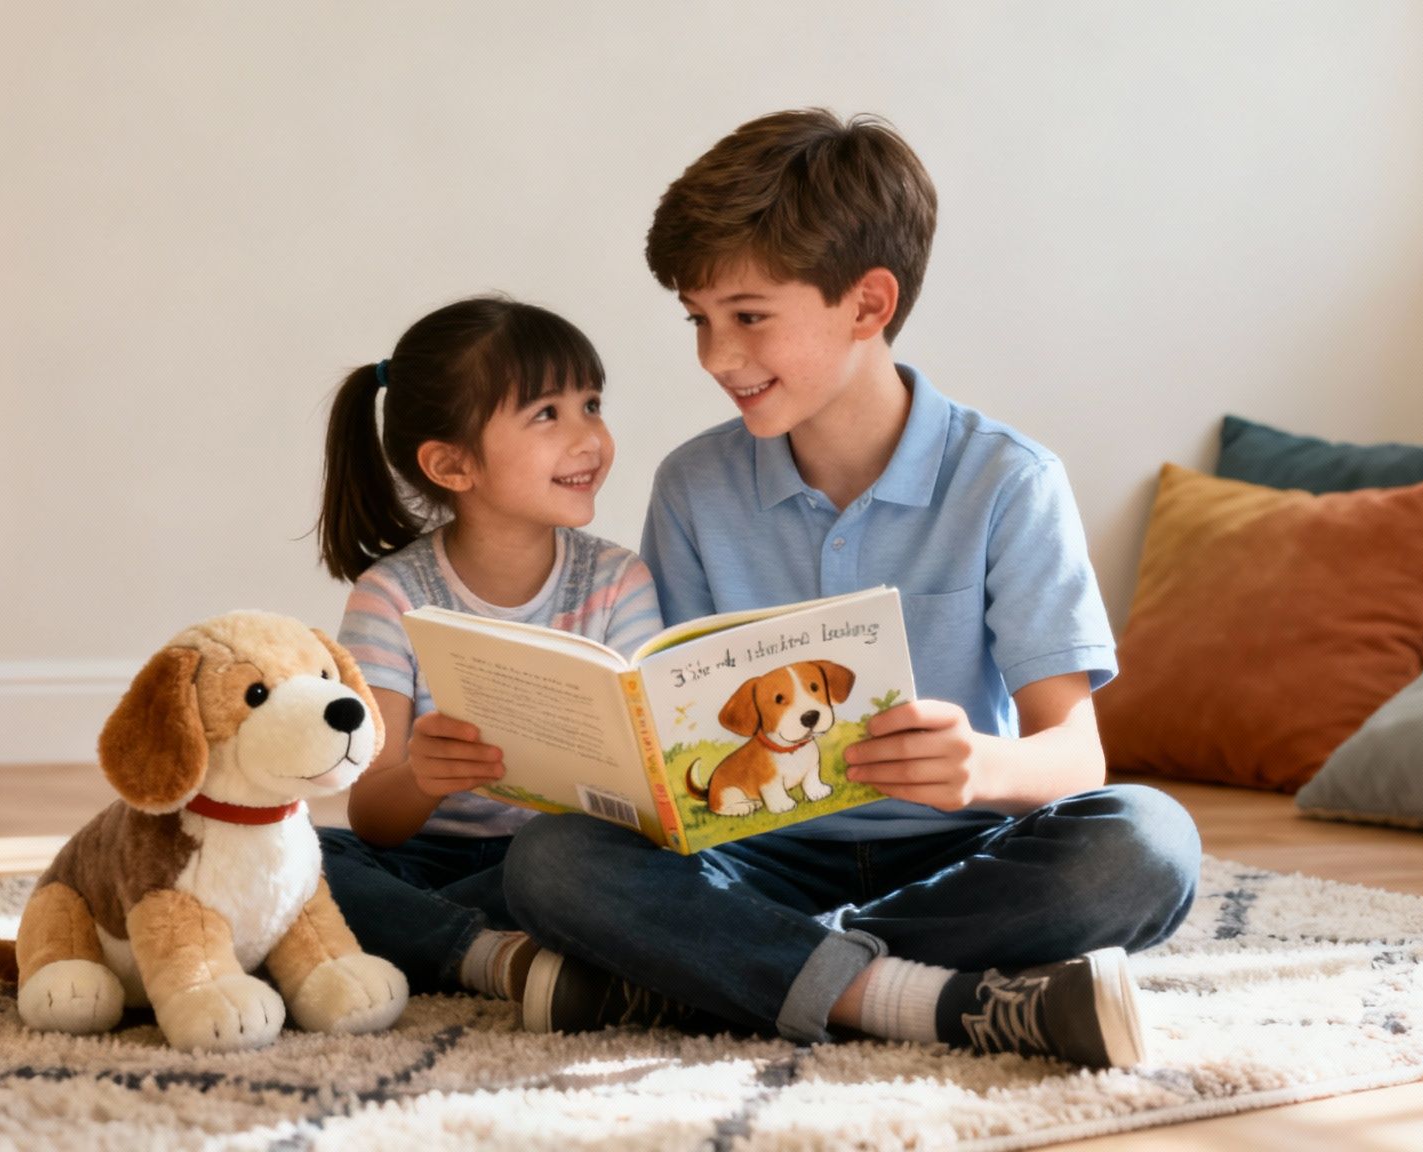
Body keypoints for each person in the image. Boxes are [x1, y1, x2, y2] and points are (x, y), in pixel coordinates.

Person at [499, 110, 1203, 1069]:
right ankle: (915, 1000)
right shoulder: (694, 486)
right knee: (551, 861)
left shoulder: (1009, 482)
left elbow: (1074, 758)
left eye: (748, 317)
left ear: (869, 304)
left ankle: (727, 972)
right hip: (755, 857)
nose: (716, 357)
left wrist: (981, 769)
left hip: (957, 852)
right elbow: (673, 729)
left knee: (1150, 844)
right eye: (700, 320)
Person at [315, 295, 663, 1005]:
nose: (589, 436)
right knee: (296, 859)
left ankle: (451, 944)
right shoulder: (392, 596)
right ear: (451, 465)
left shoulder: (619, 581)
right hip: (428, 860)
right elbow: (370, 814)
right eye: (548, 414)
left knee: (578, 868)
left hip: (563, 861)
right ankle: (492, 956)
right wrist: (422, 776)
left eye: (591, 404)